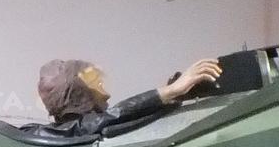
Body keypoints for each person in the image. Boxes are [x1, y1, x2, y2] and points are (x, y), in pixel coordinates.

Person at [34, 56, 223, 140]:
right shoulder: (75, 131)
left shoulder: (70, 132)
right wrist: (172, 90)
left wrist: (172, 96)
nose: (106, 94)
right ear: (78, 95)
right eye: (97, 86)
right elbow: (114, 116)